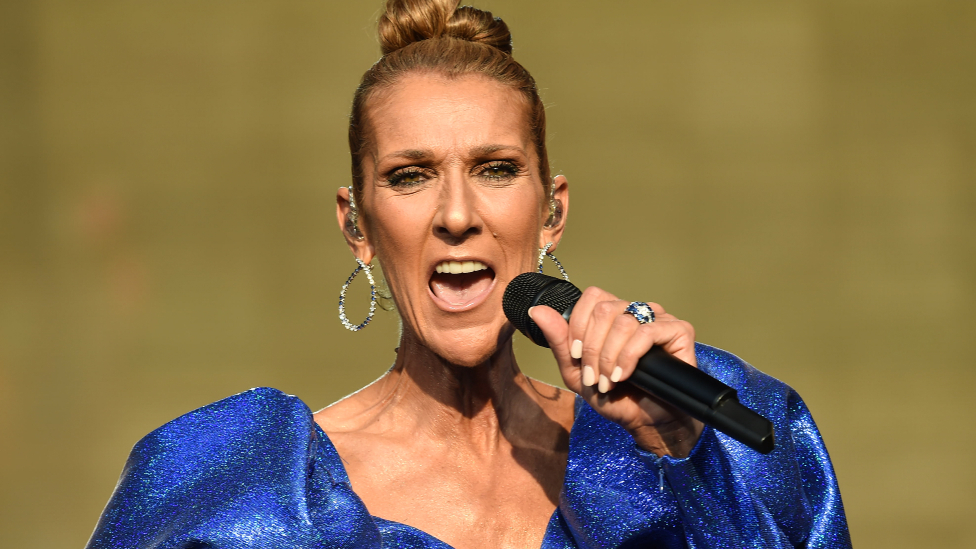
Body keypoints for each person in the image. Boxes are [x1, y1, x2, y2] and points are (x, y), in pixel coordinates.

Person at [86, 1, 851, 547]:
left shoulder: (703, 445)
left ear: (551, 212)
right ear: (357, 226)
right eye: (411, 175)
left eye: (496, 168)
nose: (457, 214)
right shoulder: (247, 490)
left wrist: (680, 457)